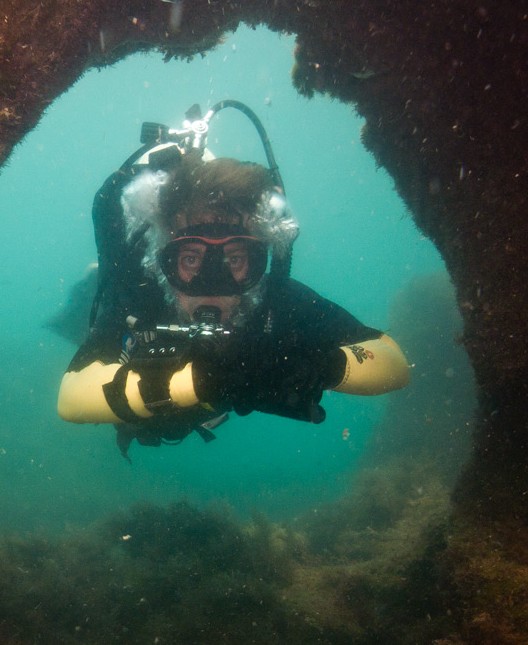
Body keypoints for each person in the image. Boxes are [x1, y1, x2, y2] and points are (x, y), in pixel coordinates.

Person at [58, 122, 409, 460]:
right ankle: (91, 283)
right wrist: (199, 382)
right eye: (192, 259)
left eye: (235, 258)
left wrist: (323, 366)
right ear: (164, 258)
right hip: (147, 402)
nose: (212, 283)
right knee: (92, 310)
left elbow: (392, 361)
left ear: (260, 259)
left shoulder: (273, 302)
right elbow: (71, 398)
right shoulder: (143, 296)